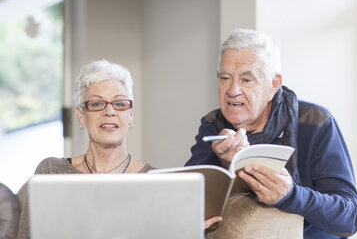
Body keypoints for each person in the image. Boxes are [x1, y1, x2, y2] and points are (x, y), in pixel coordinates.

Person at [186, 29, 357, 238]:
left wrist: (291, 195)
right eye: (225, 78)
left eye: (246, 80)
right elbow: (189, 202)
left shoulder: (315, 122)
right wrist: (220, 162)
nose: (232, 90)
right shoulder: (213, 125)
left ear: (273, 85)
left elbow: (349, 217)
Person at [18, 59, 218, 238]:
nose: (110, 111)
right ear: (81, 115)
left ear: (130, 114)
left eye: (120, 103)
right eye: (97, 103)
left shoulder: (156, 181)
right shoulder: (51, 171)